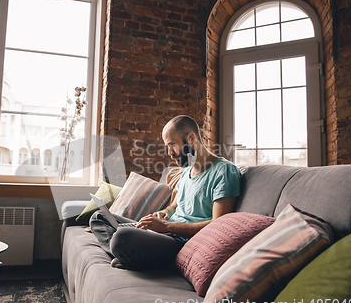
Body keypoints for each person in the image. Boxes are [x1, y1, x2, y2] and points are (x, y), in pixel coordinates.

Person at [89, 115, 241, 269]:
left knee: (122, 237)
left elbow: (218, 225)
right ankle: (128, 256)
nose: (169, 152)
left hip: (181, 243)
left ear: (190, 138)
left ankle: (139, 256)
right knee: (99, 217)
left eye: (172, 144)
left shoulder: (225, 171)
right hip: (165, 233)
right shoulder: (185, 172)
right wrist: (163, 213)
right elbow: (174, 206)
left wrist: (166, 227)